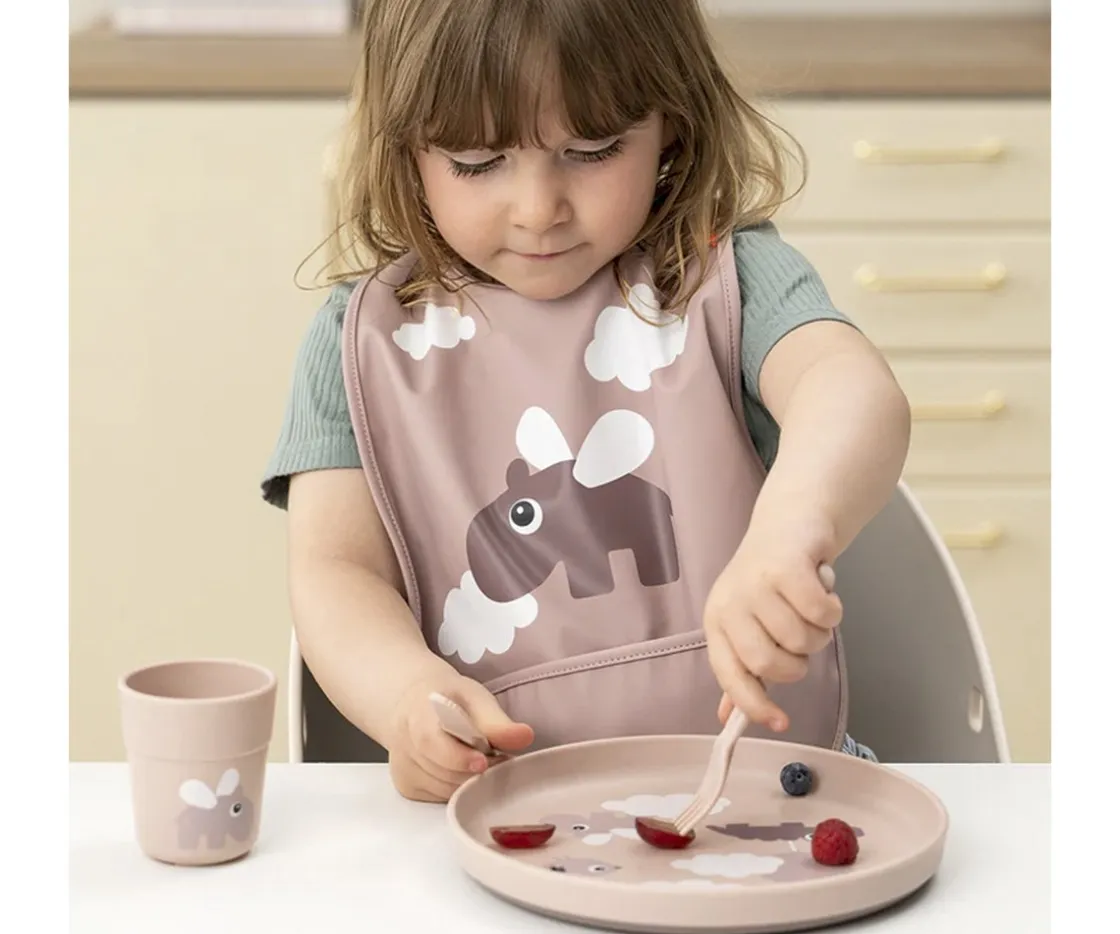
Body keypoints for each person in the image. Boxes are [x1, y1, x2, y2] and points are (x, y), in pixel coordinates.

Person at [262, 0, 911, 803]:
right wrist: (405, 696)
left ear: (672, 122)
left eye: (592, 150)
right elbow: (336, 571)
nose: (539, 209)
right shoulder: (357, 343)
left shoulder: (730, 278)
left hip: (767, 797)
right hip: (500, 814)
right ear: (407, 152)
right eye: (476, 162)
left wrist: (790, 529)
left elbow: (850, 388)